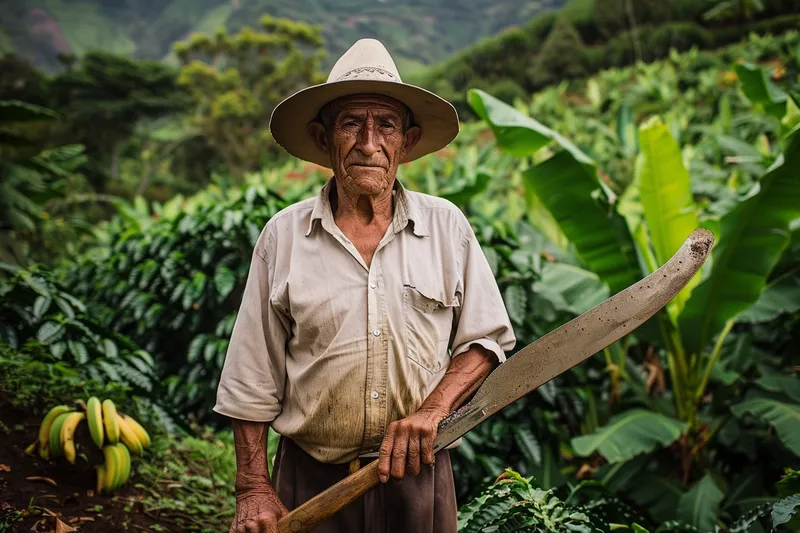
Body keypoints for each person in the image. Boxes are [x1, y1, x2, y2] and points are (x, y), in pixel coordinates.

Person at [215, 38, 515, 533]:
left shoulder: (446, 227)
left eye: (387, 126)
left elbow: (486, 343)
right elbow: (251, 377)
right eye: (351, 123)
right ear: (322, 136)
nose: (369, 143)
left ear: (408, 141)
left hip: (419, 477)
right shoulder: (284, 236)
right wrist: (253, 487)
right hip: (310, 483)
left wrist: (433, 411)